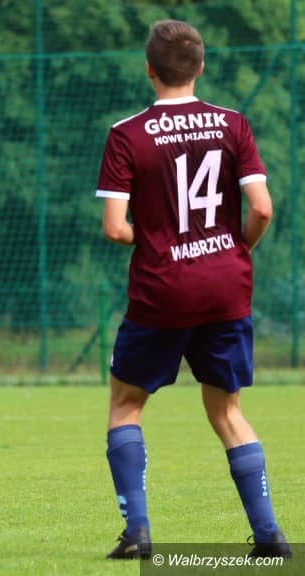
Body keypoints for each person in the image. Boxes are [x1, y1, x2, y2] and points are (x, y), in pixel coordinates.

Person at [95, 20, 290, 559]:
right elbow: (263, 208)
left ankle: (138, 534)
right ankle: (270, 537)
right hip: (226, 284)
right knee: (227, 412)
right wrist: (236, 248)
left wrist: (153, 237)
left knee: (126, 404)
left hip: (163, 287)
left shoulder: (127, 134)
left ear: (149, 69)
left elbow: (114, 228)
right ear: (200, 66)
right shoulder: (232, 123)